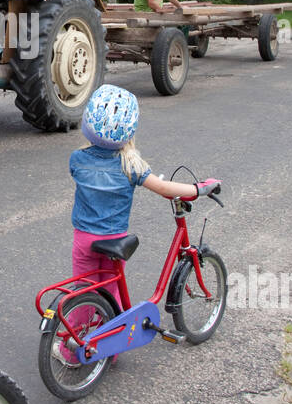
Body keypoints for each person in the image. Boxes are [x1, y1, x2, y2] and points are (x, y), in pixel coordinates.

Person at [68, 85, 210, 315]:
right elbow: (164, 188)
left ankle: (73, 341)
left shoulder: (77, 159)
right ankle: (108, 334)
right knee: (111, 287)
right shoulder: (131, 165)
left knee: (85, 290)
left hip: (84, 239)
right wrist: (197, 188)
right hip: (114, 239)